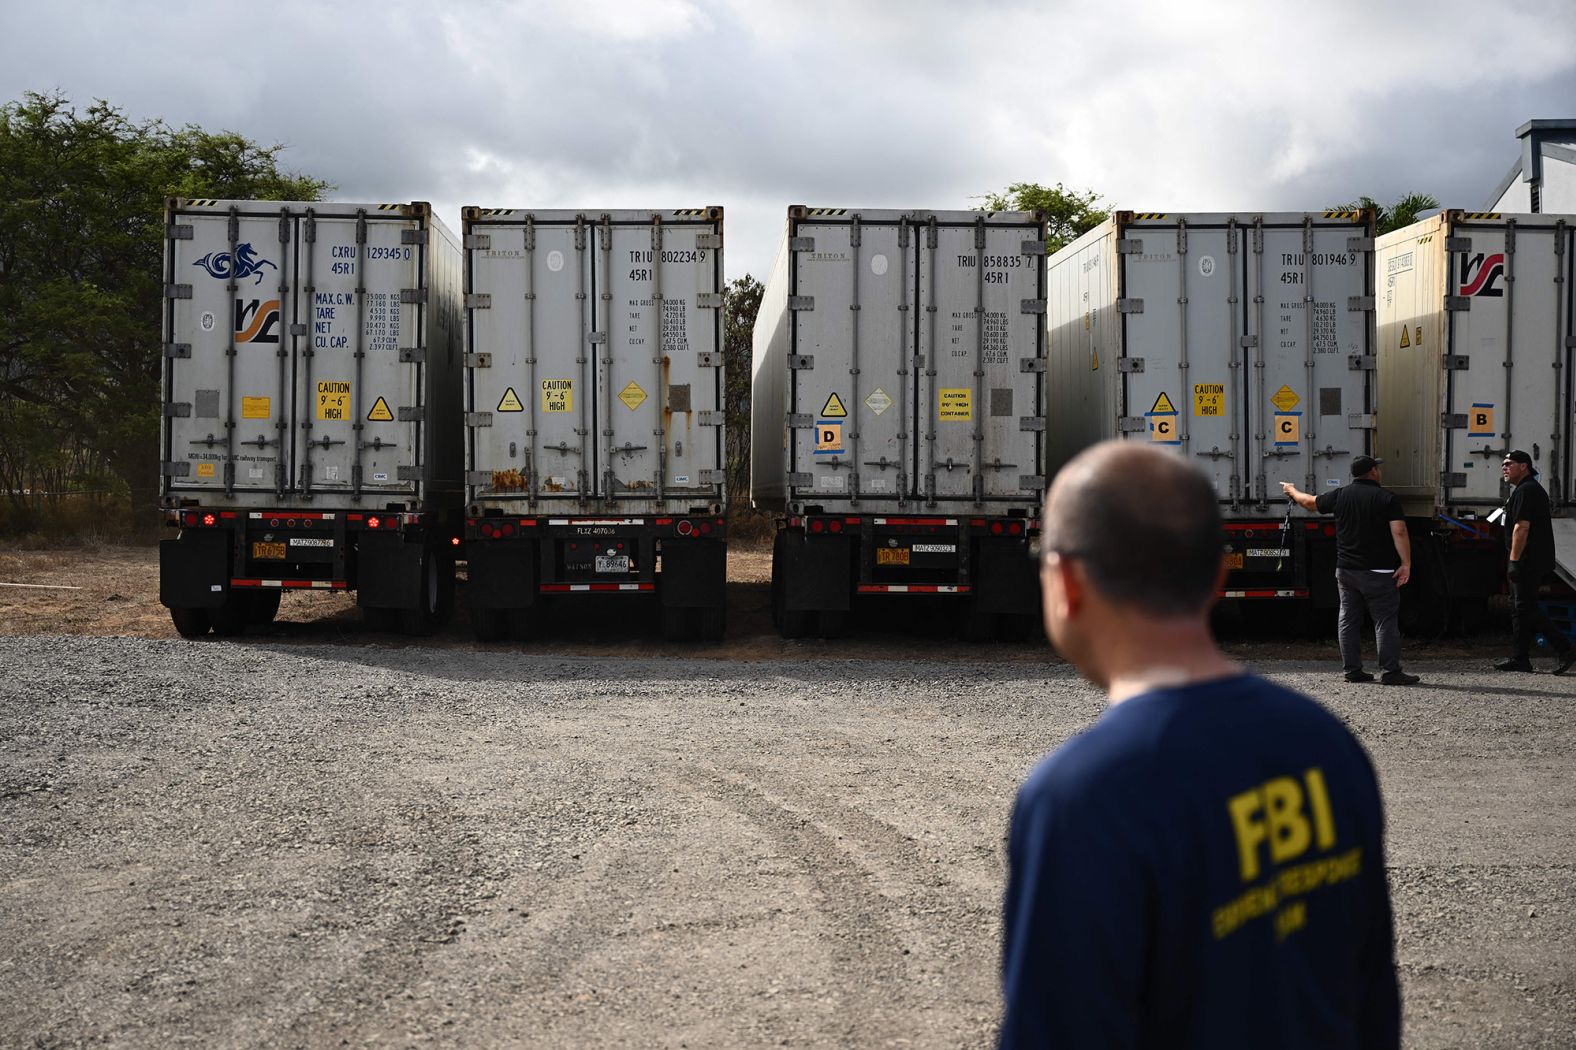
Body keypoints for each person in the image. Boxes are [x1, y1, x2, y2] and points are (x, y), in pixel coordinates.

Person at [1000, 441, 1399, 1050]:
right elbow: (1372, 1000)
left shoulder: (1081, 796)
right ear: (1219, 574)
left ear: (1068, 583)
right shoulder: (1328, 746)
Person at [1281, 457, 1419, 686]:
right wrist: (1406, 563)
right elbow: (1400, 532)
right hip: (1379, 571)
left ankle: (1353, 670)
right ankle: (1390, 671)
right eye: (1377, 468)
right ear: (1373, 472)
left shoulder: (1340, 495)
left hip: (1346, 570)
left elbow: (1309, 503)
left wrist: (1292, 490)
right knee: (1384, 621)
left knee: (1348, 619)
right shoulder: (1387, 498)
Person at [1495, 450, 1574, 675]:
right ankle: (1520, 658)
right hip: (1525, 559)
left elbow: (1522, 527)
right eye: (1503, 464)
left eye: (1509, 463)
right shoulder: (1522, 490)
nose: (1504, 467)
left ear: (1524, 466)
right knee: (1518, 607)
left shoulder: (1528, 491)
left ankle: (1565, 648)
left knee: (1525, 607)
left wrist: (1514, 560)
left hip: (1527, 560)